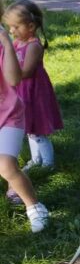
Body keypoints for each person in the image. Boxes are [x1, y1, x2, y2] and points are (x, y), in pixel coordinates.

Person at [0, 22, 49, 232]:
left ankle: (34, 207)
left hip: (8, 113)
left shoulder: (2, 42)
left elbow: (13, 78)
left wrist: (7, 43)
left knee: (5, 165)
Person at [3, 1, 63, 173]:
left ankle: (48, 163)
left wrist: (10, 72)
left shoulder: (33, 45)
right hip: (22, 91)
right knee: (29, 127)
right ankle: (36, 159)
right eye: (10, 27)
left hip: (34, 91)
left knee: (37, 129)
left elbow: (27, 72)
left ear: (31, 26)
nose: (12, 31)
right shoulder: (17, 43)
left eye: (16, 27)